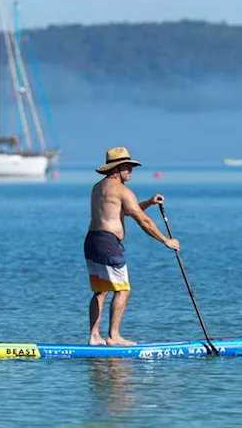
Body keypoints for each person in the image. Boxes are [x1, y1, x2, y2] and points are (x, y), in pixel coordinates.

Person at [85, 147, 180, 346]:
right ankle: (113, 336)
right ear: (116, 168)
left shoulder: (98, 187)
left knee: (101, 291)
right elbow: (143, 221)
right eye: (127, 167)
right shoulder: (122, 190)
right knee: (123, 289)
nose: (131, 170)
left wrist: (149, 202)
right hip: (108, 243)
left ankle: (94, 336)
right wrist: (166, 240)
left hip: (92, 240)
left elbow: (125, 211)